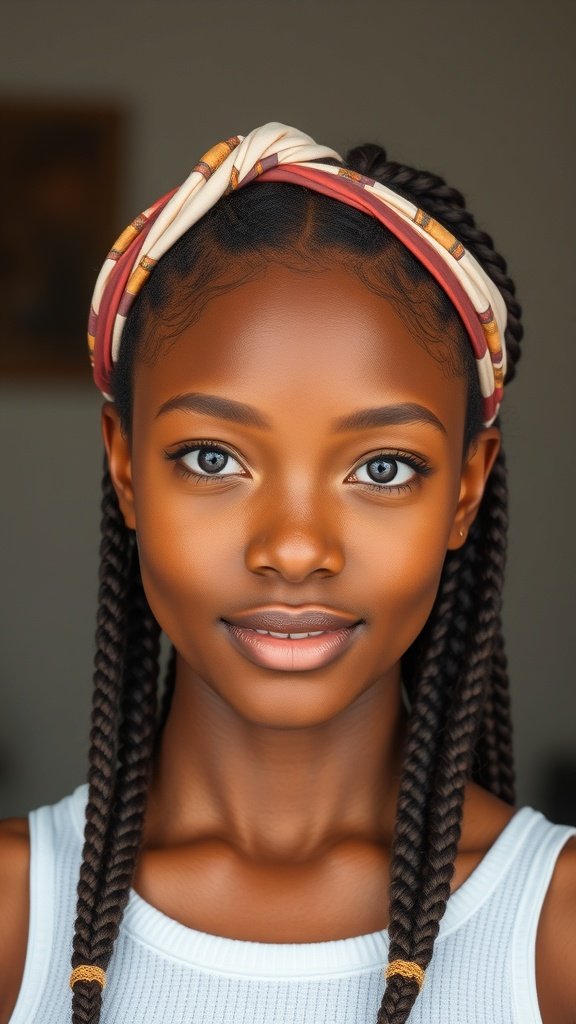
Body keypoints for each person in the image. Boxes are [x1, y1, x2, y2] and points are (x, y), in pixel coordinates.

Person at [0, 123, 574, 1024]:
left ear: (465, 490)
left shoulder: (557, 933)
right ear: (125, 466)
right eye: (213, 458)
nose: (297, 549)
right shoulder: (14, 917)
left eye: (383, 467)